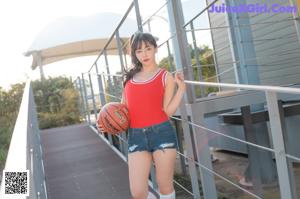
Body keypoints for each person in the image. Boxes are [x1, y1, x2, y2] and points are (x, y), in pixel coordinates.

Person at [99, 31, 186, 199]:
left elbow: (168, 111)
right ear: (134, 54)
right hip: (136, 136)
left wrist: (181, 89)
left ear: (155, 48)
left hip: (162, 134)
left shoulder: (165, 76)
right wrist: (105, 122)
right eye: (139, 51)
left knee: (165, 186)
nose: (144, 54)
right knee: (138, 193)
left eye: (148, 48)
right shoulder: (129, 79)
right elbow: (122, 110)